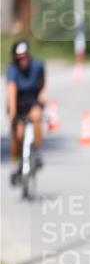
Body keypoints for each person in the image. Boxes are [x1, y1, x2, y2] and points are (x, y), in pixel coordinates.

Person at [6, 40, 46, 184]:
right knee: (18, 135)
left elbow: (42, 81)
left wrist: (41, 95)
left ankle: (38, 152)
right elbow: (11, 90)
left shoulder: (38, 65)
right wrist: (13, 113)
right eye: (19, 58)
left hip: (32, 100)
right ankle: (15, 162)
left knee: (36, 117)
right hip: (17, 102)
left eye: (25, 56)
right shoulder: (12, 69)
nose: (23, 60)